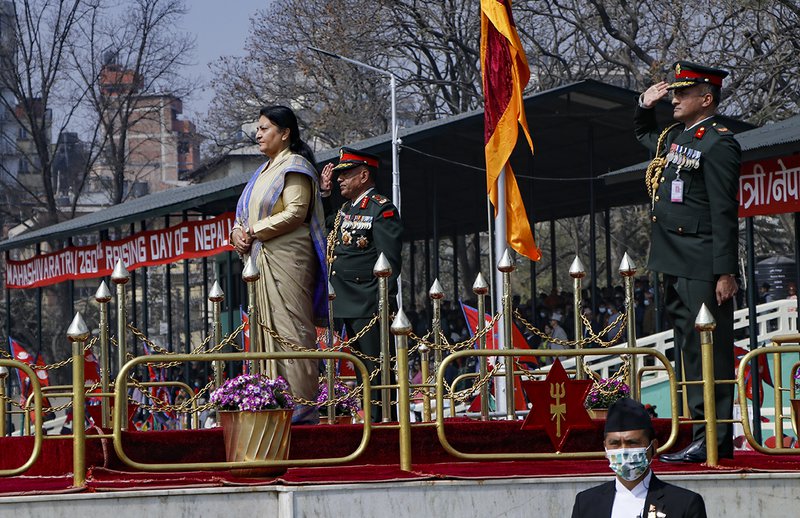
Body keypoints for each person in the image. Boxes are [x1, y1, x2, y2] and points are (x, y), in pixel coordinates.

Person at [636, 61, 740, 462]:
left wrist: (725, 271)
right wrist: (643, 105)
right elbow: (646, 135)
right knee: (688, 353)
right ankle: (702, 434)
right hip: (675, 261)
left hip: (702, 265)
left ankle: (715, 439)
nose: (674, 98)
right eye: (673, 92)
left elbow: (724, 211)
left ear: (706, 98)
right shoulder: (678, 136)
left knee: (709, 352)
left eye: (682, 93)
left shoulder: (719, 143)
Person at [230, 105, 328, 425]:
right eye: (257, 129)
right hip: (259, 262)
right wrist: (238, 236)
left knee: (292, 331)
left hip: (288, 260)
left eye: (265, 128)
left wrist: (253, 231)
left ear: (284, 133)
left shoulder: (295, 166)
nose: (258, 134)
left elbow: (296, 212)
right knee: (263, 333)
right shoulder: (261, 172)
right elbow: (242, 219)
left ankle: (302, 409)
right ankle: (271, 403)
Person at [320, 147, 403, 422]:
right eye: (339, 175)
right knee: (361, 371)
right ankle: (371, 420)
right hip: (346, 301)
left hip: (369, 304)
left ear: (364, 175)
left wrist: (382, 303)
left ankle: (384, 422)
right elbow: (328, 226)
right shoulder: (346, 209)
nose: (340, 179)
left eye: (346, 174)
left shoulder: (381, 209)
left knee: (377, 369)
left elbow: (389, 262)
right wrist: (324, 194)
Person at [571, 398, 707, 518]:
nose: (623, 451)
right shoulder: (586, 504)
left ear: (653, 447)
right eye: (615, 444)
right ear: (605, 449)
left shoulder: (684, 504)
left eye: (633, 443)